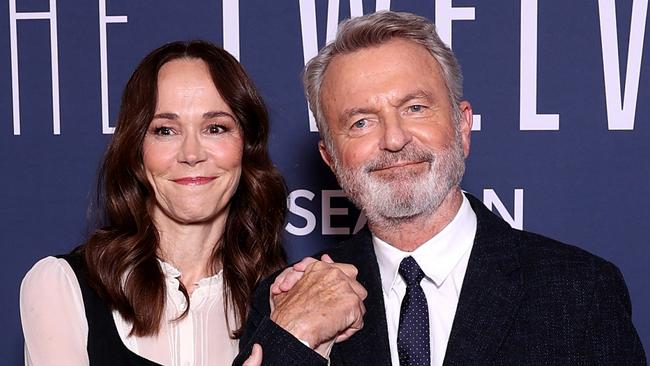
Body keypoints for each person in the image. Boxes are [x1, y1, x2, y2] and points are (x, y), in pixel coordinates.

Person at [235, 11, 647, 366]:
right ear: (331, 158)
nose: (394, 139)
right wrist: (297, 337)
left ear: (463, 127)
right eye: (361, 121)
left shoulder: (579, 291)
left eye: (415, 108)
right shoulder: (284, 299)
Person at [20, 40, 286, 365]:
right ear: (136, 151)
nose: (191, 154)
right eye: (165, 130)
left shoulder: (280, 303)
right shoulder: (62, 288)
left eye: (215, 128)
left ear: (246, 145)